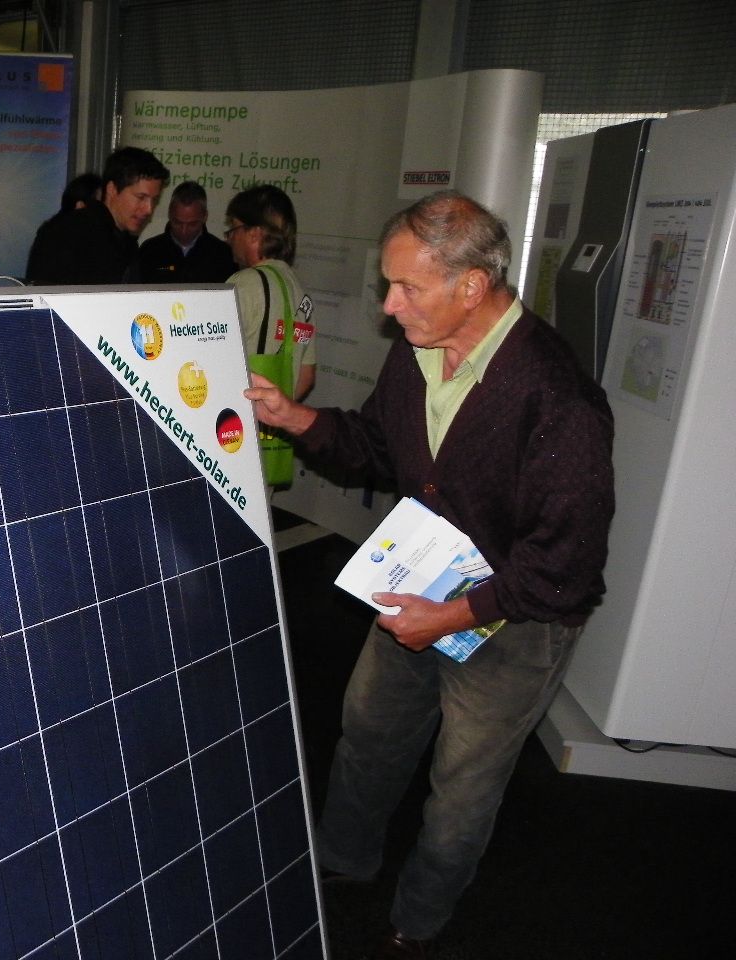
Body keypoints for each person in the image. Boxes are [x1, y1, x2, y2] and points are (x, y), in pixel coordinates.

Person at [244, 191, 615, 959]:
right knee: (369, 734)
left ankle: (418, 919)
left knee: (462, 789)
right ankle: (342, 859)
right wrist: (295, 418)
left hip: (515, 620)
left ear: (471, 286)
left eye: (406, 287)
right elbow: (378, 447)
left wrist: (448, 617)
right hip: (420, 584)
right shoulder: (418, 349)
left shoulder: (557, 395)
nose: (389, 306)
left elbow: (566, 567)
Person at [25, 147, 169, 285]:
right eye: (141, 197)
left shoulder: (123, 240)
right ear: (112, 189)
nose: (149, 209)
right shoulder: (72, 233)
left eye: (154, 200)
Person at [226, 184, 316, 401]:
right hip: (278, 418)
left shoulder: (243, 284)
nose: (229, 238)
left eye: (233, 229)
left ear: (254, 234)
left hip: (239, 416)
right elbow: (306, 376)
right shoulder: (300, 290)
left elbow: (213, 359)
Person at [136, 180, 236, 284]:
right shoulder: (149, 251)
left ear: (205, 217)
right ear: (169, 214)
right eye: (177, 223)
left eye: (192, 224)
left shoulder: (222, 254)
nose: (184, 231)